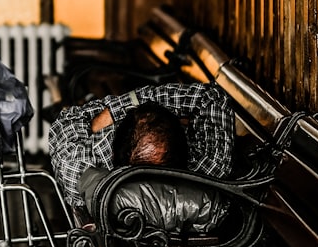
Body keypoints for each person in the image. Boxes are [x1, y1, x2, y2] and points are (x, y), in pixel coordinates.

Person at [48, 82, 235, 209]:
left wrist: (114, 111)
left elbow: (65, 121)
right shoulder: (207, 168)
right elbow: (212, 96)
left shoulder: (81, 166)